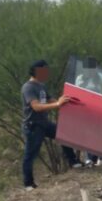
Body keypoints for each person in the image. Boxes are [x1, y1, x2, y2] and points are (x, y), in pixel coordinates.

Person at [21, 59, 81, 190]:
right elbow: (36, 106)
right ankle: (28, 183)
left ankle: (73, 162)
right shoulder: (28, 87)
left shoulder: (41, 86)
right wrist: (57, 104)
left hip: (44, 123)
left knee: (64, 135)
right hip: (33, 125)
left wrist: (65, 103)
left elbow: (51, 99)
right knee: (31, 154)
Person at [74, 57, 102, 167]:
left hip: (99, 108)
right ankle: (89, 159)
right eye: (89, 69)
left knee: (101, 133)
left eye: (93, 68)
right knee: (89, 133)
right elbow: (77, 92)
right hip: (86, 109)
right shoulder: (80, 78)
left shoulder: (99, 77)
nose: (91, 71)